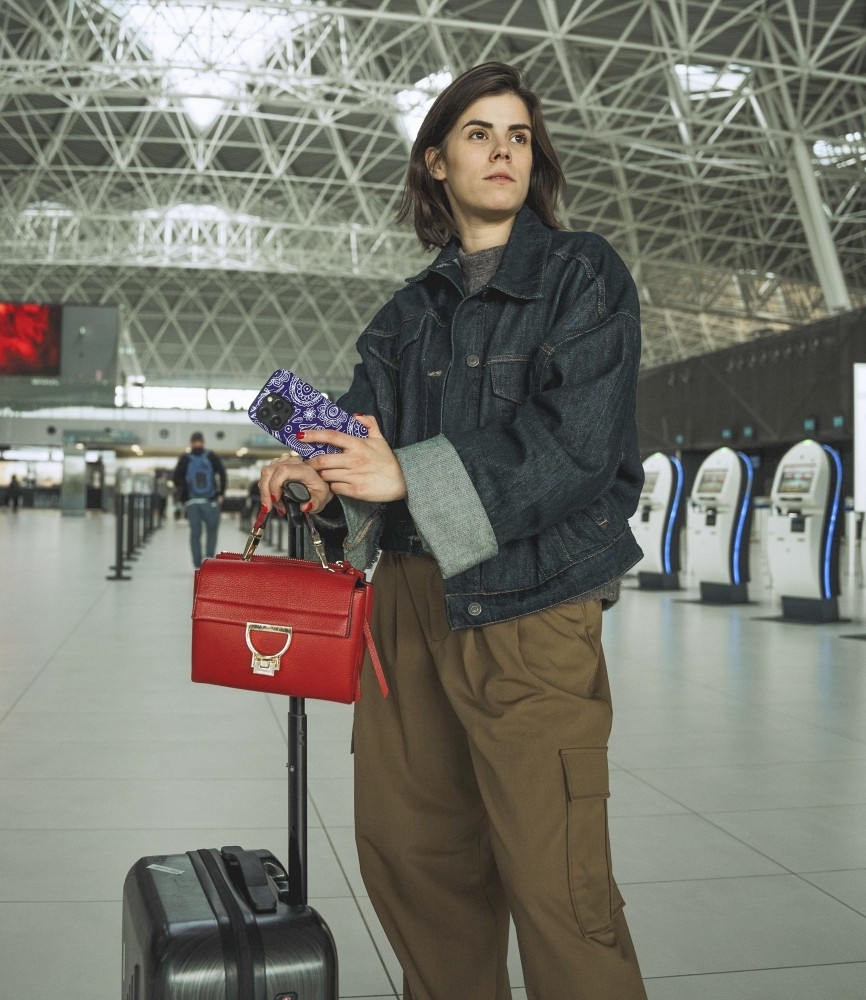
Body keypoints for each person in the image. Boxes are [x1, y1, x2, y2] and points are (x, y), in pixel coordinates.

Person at [258, 63, 648, 1000]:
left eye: (519, 136)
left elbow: (577, 446)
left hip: (533, 605)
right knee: (414, 860)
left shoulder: (581, 275)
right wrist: (318, 476)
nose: (504, 150)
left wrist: (409, 473)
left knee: (557, 884)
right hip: (407, 610)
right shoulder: (405, 317)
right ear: (436, 161)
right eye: (479, 133)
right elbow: (366, 450)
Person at [173, 432, 227, 569]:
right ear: (203, 442)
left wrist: (185, 493)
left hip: (192, 502)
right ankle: (208, 562)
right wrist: (221, 493)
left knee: (195, 534)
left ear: (190, 442)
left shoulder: (185, 458)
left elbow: (176, 478)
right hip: (211, 501)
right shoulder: (210, 456)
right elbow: (222, 473)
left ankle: (197, 565)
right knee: (212, 532)